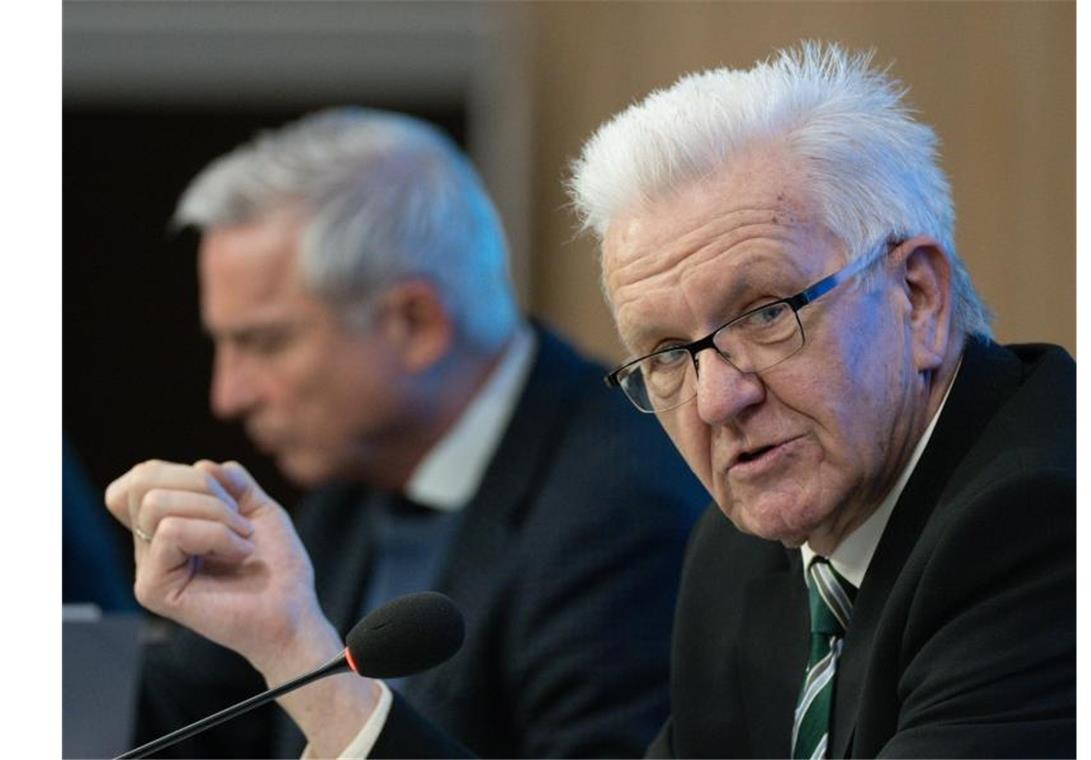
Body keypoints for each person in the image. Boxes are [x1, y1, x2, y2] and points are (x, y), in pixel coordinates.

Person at [107, 41, 1075, 758]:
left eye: (770, 311)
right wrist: (292, 649)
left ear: (918, 297)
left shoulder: (1050, 520)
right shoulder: (741, 561)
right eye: (663, 353)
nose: (720, 394)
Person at [112, 108, 707, 758]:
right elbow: (194, 727)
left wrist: (307, 668)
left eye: (264, 342)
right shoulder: (355, 477)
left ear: (415, 323)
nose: (228, 395)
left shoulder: (622, 507)